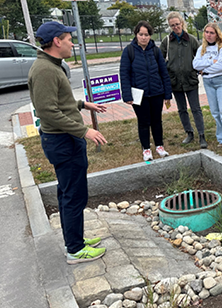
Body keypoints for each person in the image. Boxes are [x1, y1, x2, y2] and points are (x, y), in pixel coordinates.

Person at [29, 21, 108, 263]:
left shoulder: (51, 66)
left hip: (64, 140)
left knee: (68, 193)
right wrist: (84, 131)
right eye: (68, 38)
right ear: (56, 41)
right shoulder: (45, 70)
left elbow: (59, 102)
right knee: (73, 196)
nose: (72, 42)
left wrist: (83, 104)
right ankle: (75, 249)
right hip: (63, 142)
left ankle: (75, 240)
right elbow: (48, 111)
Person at [119, 20, 172, 164]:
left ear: (150, 36)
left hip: (156, 92)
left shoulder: (155, 51)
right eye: (141, 34)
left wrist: (167, 94)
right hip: (139, 95)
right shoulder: (129, 51)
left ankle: (159, 146)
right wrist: (127, 95)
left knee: (156, 121)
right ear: (136, 35)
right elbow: (124, 74)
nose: (143, 37)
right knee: (143, 122)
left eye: (146, 35)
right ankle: (146, 148)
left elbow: (163, 73)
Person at [162, 12, 206, 149]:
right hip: (175, 82)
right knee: (182, 109)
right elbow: (160, 59)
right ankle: (189, 132)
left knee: (196, 109)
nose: (175, 27)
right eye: (172, 25)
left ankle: (202, 135)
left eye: (177, 24)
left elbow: (200, 56)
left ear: (182, 23)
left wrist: (199, 69)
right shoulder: (167, 41)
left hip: (190, 80)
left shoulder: (191, 40)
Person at [192, 22, 222, 149]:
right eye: (206, 32)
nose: (208, 35)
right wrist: (210, 61)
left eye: (212, 33)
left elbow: (221, 66)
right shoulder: (201, 49)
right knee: (216, 112)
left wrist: (205, 69)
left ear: (217, 35)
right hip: (208, 82)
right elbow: (195, 65)